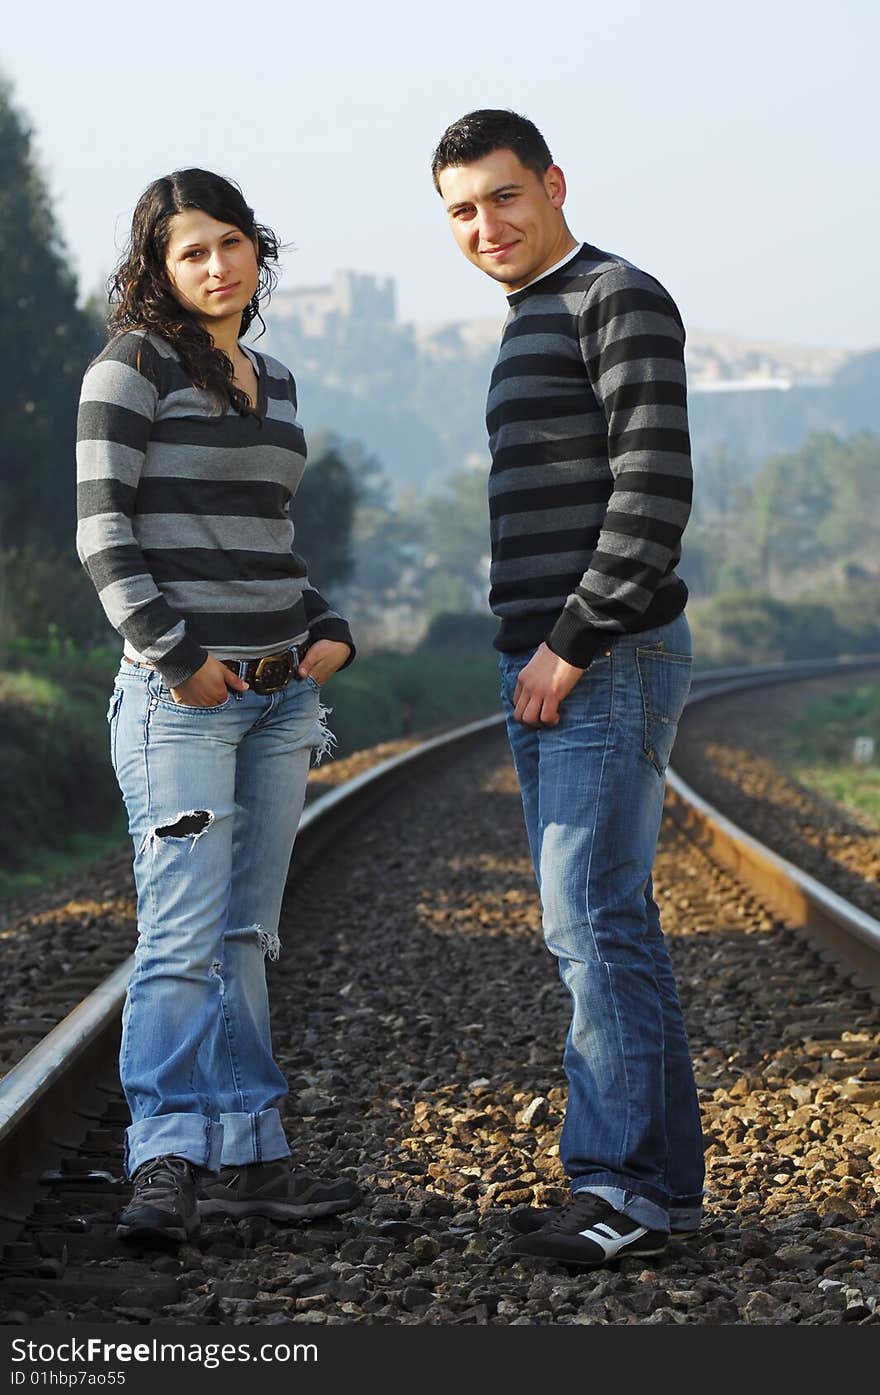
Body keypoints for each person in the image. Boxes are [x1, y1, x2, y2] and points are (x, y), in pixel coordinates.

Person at [431, 111, 704, 1268]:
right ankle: (651, 1187)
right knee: (603, 917)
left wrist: (571, 642)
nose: (484, 225)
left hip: (599, 656)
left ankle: (620, 1189)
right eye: (459, 211)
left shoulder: (615, 297)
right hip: (545, 659)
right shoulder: (528, 315)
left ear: (551, 183)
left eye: (502, 197)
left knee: (588, 916)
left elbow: (651, 491)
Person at [76, 169, 360, 1244]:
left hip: (281, 700)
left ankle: (250, 1156)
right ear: (158, 268)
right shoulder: (131, 367)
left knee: (246, 932)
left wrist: (326, 620)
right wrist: (176, 656)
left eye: (230, 243)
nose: (215, 266)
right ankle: (162, 1155)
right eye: (189, 251)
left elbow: (263, 535)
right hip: (181, 704)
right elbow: (104, 533)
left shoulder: (275, 379)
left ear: (256, 252)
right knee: (183, 933)